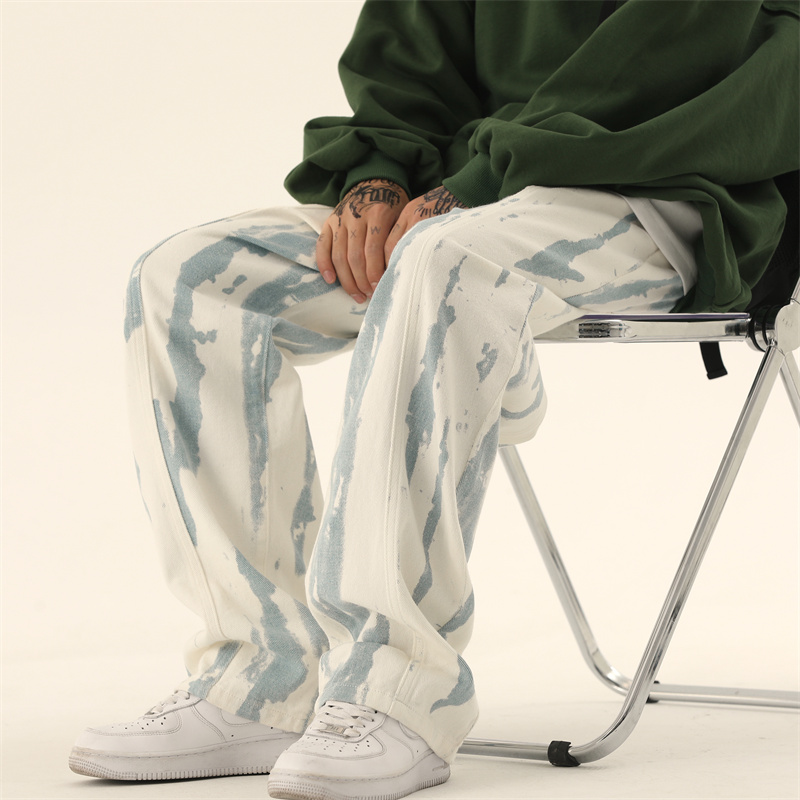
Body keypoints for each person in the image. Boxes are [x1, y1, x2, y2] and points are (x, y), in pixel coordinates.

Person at [68, 2, 798, 798]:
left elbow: (664, 63)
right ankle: (261, 678)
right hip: (469, 195)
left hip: (661, 186)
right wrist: (377, 175)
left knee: (442, 261)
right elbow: (409, 50)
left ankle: (401, 693)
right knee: (189, 278)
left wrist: (471, 186)